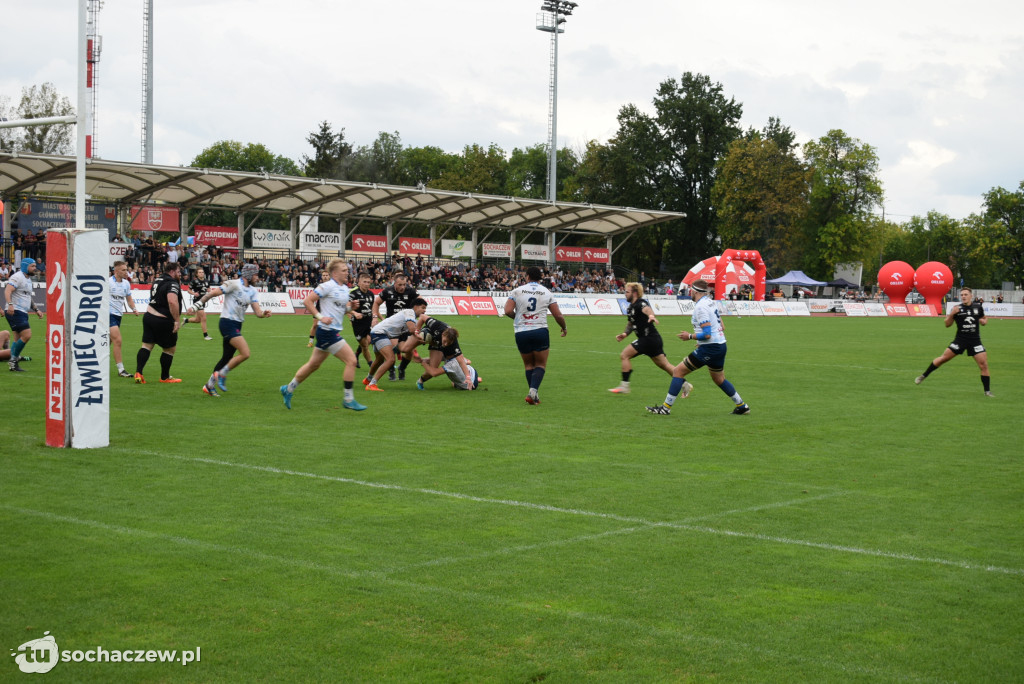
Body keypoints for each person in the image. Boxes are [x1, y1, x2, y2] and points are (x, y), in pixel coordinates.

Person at [646, 279, 750, 415]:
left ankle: (665, 408)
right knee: (719, 379)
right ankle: (742, 406)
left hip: (710, 348)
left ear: (695, 291)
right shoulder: (710, 302)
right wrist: (702, 341)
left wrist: (689, 336)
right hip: (720, 346)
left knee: (678, 372)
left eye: (691, 291)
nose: (690, 293)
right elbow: (721, 327)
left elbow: (707, 334)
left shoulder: (701, 307)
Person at [279, 258, 366, 411]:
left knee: (313, 365)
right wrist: (320, 317)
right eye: (344, 270)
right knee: (352, 361)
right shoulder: (326, 286)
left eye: (347, 269)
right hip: (327, 331)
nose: (347, 272)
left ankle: (288, 389)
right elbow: (307, 301)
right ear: (334, 272)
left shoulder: (345, 288)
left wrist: (349, 308)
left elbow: (339, 308)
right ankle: (348, 399)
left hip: (331, 331)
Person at [190, 263, 272, 397]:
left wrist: (264, 313)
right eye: (256, 275)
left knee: (226, 358)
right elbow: (212, 293)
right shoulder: (233, 284)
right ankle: (222, 374)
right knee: (245, 353)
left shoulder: (252, 291)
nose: (258, 278)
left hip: (237, 325)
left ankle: (209, 386)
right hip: (227, 322)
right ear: (249, 274)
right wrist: (197, 305)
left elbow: (257, 312)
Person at [504, 265, 567, 405]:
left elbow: (507, 310)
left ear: (527, 277)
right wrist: (564, 327)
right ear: (540, 278)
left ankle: (533, 394)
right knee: (540, 364)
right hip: (540, 330)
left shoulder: (517, 291)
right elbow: (558, 314)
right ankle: (533, 392)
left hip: (521, 332)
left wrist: (518, 319)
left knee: (528, 365)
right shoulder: (546, 292)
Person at [915, 287, 993, 396]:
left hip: (975, 341)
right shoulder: (957, 308)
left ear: (971, 296)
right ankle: (923, 376)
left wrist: (983, 321)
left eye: (966, 294)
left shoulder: (978, 307)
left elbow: (984, 319)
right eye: (962, 295)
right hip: (960, 340)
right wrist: (952, 314)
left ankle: (987, 391)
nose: (963, 297)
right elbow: (947, 324)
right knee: (943, 359)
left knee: (983, 365)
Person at [609, 282, 674, 394]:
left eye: (627, 292)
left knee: (624, 355)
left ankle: (625, 386)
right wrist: (624, 334)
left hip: (648, 339)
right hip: (653, 340)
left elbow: (647, 309)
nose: (625, 294)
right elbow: (630, 324)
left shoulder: (641, 303)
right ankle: (684, 384)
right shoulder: (630, 308)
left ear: (634, 293)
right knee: (665, 365)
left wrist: (651, 316)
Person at [134, 261, 184, 384]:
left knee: (146, 346)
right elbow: (172, 301)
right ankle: (165, 377)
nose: (180, 274)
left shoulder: (158, 279)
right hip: (163, 319)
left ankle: (138, 373)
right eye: (178, 272)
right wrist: (176, 320)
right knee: (169, 349)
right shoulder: (172, 283)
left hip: (149, 316)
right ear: (172, 271)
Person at [364, 298, 428, 391]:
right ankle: (371, 385)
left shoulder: (411, 318)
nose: (424, 310)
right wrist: (420, 337)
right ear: (415, 307)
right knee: (390, 359)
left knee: (379, 360)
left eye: (425, 308)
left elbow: (408, 335)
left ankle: (368, 379)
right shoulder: (410, 312)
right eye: (423, 308)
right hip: (380, 333)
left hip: (379, 332)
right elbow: (411, 330)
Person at [371, 271, 419, 380]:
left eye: (404, 284)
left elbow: (420, 301)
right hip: (392, 327)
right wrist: (374, 317)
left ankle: (402, 368)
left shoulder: (410, 291)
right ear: (394, 283)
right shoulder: (387, 291)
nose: (402, 287)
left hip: (406, 326)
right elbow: (376, 303)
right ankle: (391, 370)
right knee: (391, 349)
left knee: (409, 351)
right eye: (400, 285)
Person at [4, 258, 43, 372]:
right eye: (32, 266)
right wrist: (10, 304)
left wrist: (36, 309)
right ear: (25, 266)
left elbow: (27, 297)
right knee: (27, 335)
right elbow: (7, 291)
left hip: (22, 312)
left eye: (35, 266)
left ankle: (13, 364)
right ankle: (13, 361)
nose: (35, 268)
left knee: (17, 339)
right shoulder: (17, 277)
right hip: (15, 310)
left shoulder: (28, 280)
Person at [414, 324, 479, 391]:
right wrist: (422, 359)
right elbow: (468, 361)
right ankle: (474, 378)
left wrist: (423, 362)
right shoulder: (456, 356)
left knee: (454, 383)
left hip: (468, 385)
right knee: (462, 367)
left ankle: (474, 379)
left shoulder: (452, 365)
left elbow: (434, 373)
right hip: (473, 372)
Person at [109, 260, 140, 378]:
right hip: (108, 314)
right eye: (123, 270)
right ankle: (121, 370)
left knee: (106, 343)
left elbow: (129, 299)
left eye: (126, 269)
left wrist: (134, 309)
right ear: (116, 271)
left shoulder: (126, 283)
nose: (126, 272)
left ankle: (96, 363)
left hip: (118, 315)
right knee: (118, 340)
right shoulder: (108, 282)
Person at [347, 271, 375, 368]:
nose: (367, 284)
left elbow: (372, 308)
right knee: (364, 344)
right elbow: (346, 306)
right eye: (364, 282)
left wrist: (374, 318)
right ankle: (370, 364)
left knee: (370, 341)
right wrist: (354, 313)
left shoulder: (371, 294)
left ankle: (369, 363)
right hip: (358, 323)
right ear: (359, 282)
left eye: (368, 282)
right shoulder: (354, 294)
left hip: (368, 321)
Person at [180, 267, 214, 340]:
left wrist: (209, 290)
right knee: (204, 317)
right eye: (200, 272)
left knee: (198, 320)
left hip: (203, 301)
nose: (201, 273)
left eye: (202, 272)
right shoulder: (194, 281)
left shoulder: (207, 281)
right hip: (197, 301)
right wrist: (194, 293)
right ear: (197, 274)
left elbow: (208, 289)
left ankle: (186, 320)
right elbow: (188, 290)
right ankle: (206, 336)